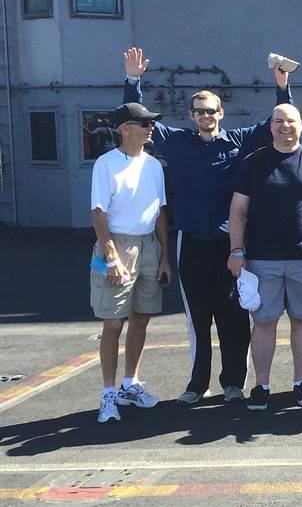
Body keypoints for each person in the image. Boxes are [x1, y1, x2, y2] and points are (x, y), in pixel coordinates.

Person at [122, 47, 292, 406]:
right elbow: (138, 119)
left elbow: (277, 124)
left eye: (210, 110)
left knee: (233, 316)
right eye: (198, 111)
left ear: (221, 112)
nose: (205, 116)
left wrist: (282, 87)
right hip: (192, 244)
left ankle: (233, 382)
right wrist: (133, 82)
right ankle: (198, 384)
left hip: (230, 245)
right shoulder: (178, 142)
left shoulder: (239, 141)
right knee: (198, 318)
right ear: (191, 115)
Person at [228, 104, 302, 412]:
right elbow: (238, 211)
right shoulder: (253, 162)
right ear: (271, 126)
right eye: (278, 121)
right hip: (262, 259)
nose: (284, 126)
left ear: (300, 126)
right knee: (264, 322)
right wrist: (236, 250)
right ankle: (261, 385)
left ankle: (301, 382)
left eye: (290, 121)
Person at [90, 102, 170, 423]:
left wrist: (165, 255)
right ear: (124, 128)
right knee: (113, 322)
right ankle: (108, 392)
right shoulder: (105, 164)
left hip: (148, 245)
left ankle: (130, 383)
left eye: (151, 123)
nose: (150, 128)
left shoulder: (154, 165)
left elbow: (161, 211)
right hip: (112, 246)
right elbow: (98, 212)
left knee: (141, 318)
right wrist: (110, 258)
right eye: (143, 123)